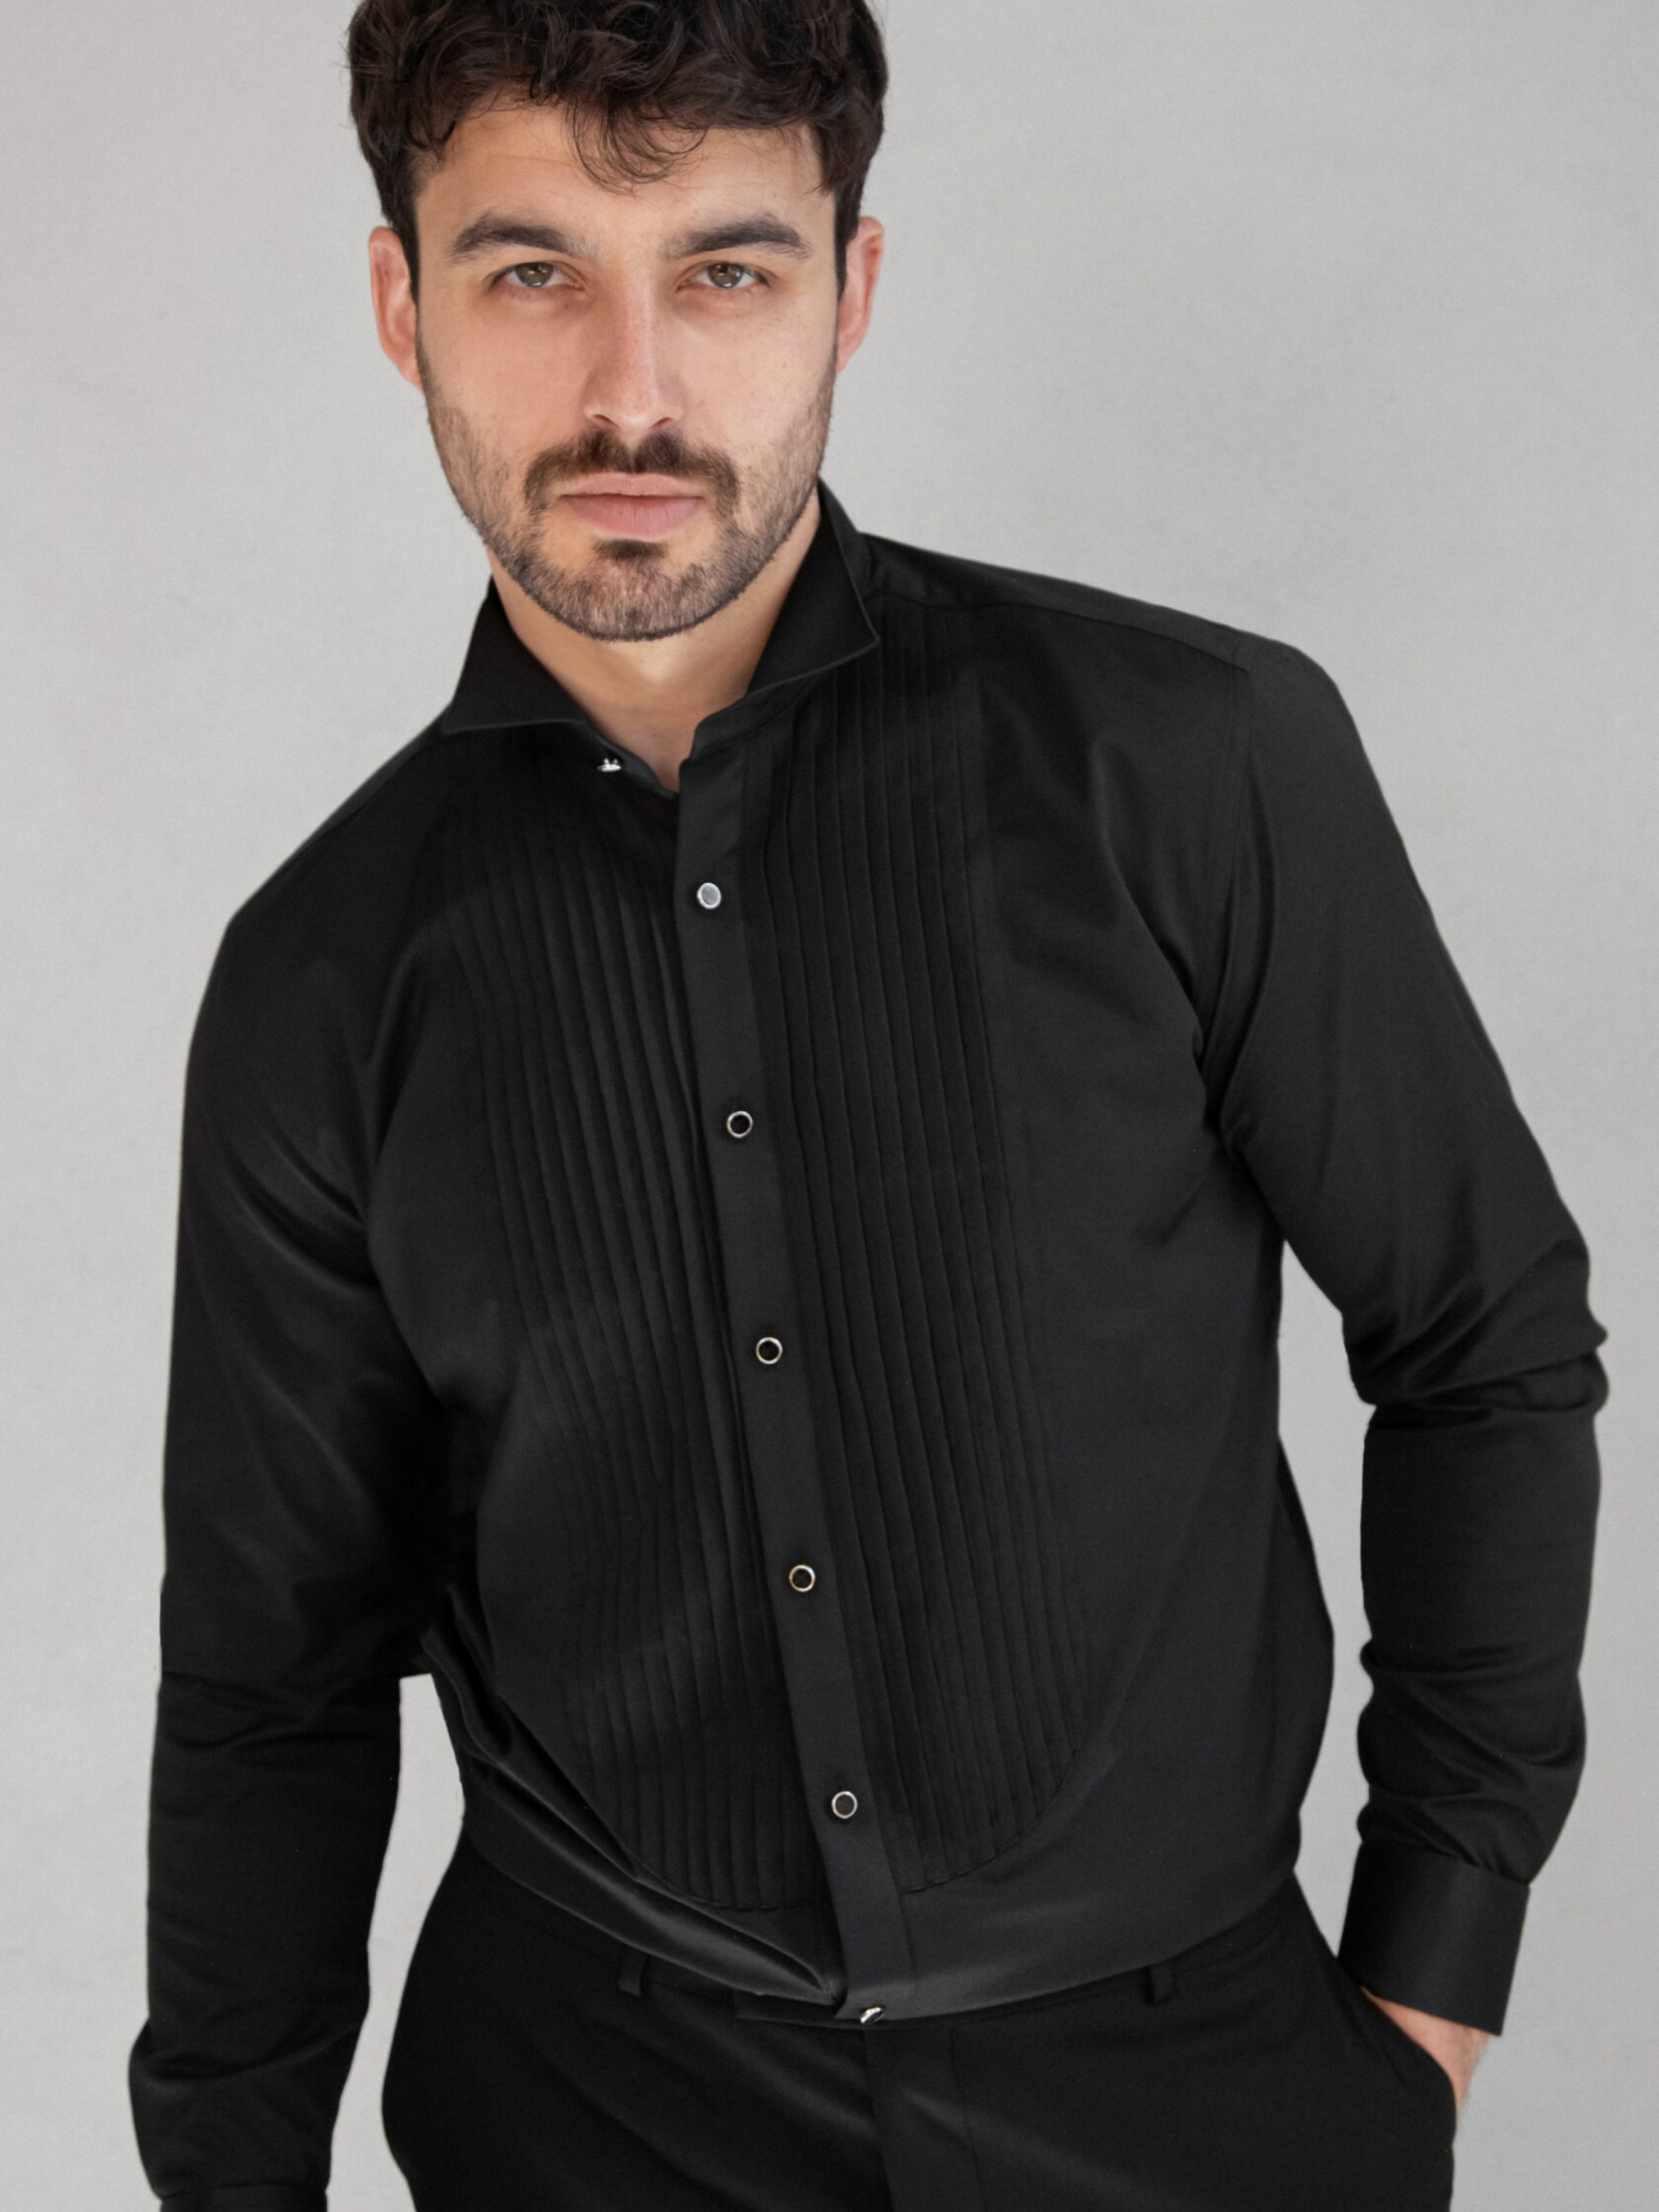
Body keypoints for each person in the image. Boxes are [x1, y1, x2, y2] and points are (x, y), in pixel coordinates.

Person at [127, 4, 1609, 2208]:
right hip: (584, 2120)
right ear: (401, 303)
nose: (632, 388)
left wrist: (1433, 1971)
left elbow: (1482, 1340)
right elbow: (275, 1670)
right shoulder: (321, 974)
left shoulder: (1190, 764)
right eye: (531, 270)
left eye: (725, 269)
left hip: (1197, 2098)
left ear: (853, 284)